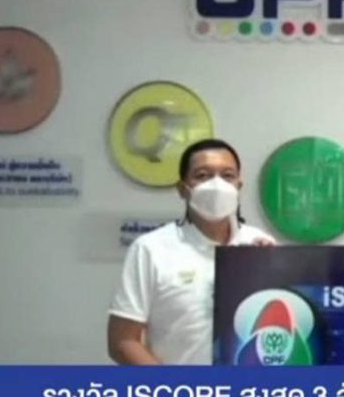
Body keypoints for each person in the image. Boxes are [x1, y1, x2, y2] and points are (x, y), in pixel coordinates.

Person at [107, 138, 275, 364]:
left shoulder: (261, 244)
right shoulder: (151, 249)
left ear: (238, 186)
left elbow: (277, 323)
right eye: (202, 175)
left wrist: (274, 273)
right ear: (182, 189)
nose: (216, 184)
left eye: (227, 175)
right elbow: (123, 342)